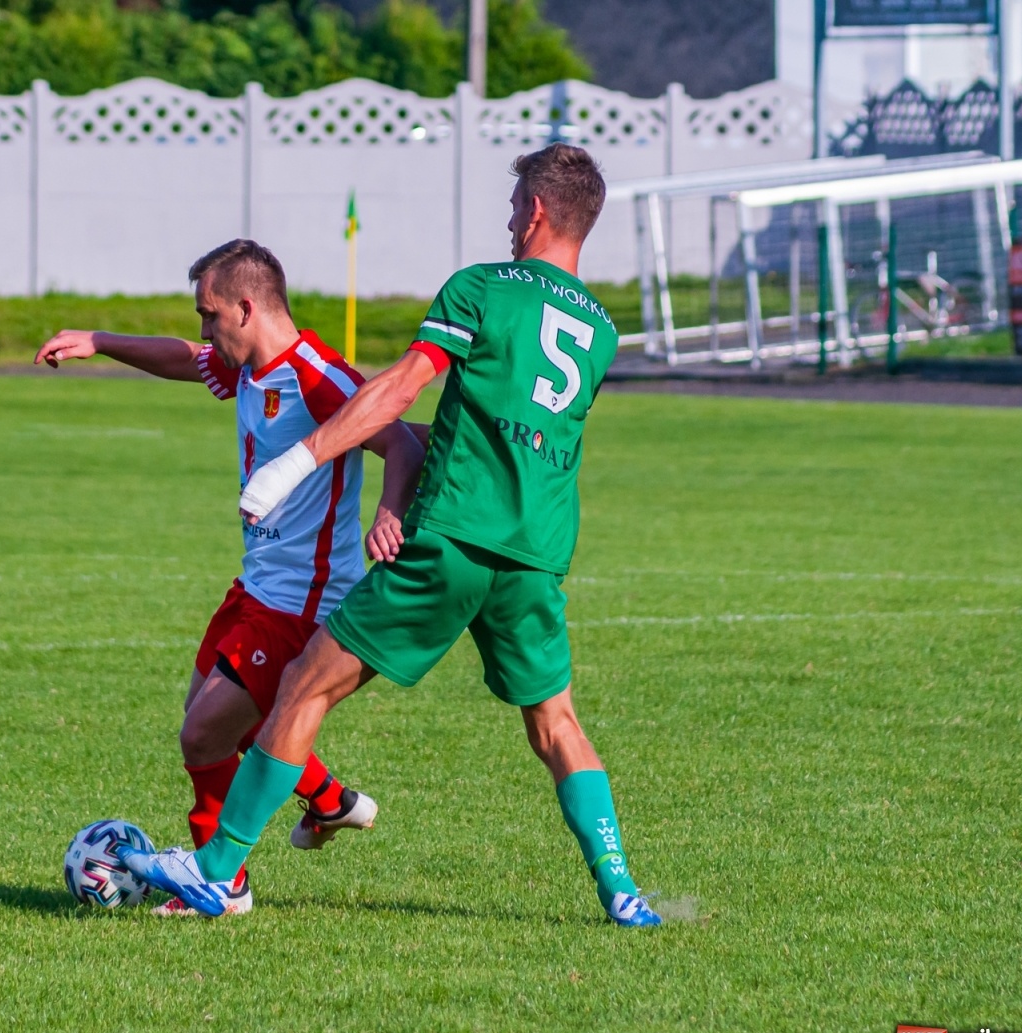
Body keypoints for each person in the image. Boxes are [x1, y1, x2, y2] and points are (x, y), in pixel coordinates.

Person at [126, 145, 664, 928]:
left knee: (306, 685)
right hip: (538, 554)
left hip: (450, 538)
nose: (510, 221)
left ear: (539, 212)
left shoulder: (482, 287)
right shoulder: (601, 329)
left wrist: (296, 464)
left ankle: (216, 870)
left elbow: (404, 388)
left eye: (516, 206)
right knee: (557, 725)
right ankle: (623, 891)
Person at [36, 239, 425, 916]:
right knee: (218, 725)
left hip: (303, 600)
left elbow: (399, 437)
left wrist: (389, 511)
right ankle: (331, 802)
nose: (203, 330)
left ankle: (222, 881)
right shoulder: (248, 366)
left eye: (209, 314)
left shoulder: (317, 376)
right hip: (255, 587)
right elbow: (184, 360)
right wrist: (98, 340)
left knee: (203, 736)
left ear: (247, 307)